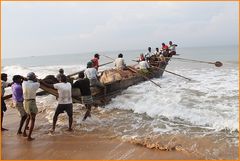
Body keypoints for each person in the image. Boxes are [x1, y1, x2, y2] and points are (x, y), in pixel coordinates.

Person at [22, 72, 40, 141]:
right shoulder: (36, 84)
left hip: (25, 102)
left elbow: (25, 79)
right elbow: (38, 82)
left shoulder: (24, 83)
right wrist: (36, 79)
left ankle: (24, 132)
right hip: (31, 102)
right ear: (34, 78)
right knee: (33, 119)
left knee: (28, 117)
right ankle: (29, 137)